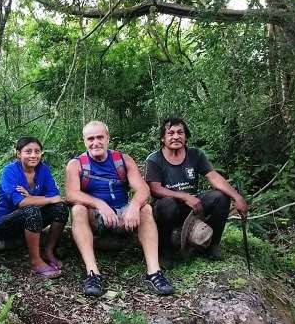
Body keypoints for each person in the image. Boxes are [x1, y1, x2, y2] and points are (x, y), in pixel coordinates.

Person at [65, 120, 174, 297]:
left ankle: (154, 272)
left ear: (108, 138)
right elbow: (71, 194)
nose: (95, 142)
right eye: (90, 139)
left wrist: (134, 206)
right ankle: (93, 273)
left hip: (123, 213)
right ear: (84, 141)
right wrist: (100, 204)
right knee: (78, 209)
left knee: (146, 209)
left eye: (100, 137)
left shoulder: (123, 160)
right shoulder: (76, 164)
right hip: (96, 217)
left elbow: (143, 189)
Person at [145, 117, 249, 260]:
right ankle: (165, 251)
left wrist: (237, 197)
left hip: (193, 205)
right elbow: (155, 189)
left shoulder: (195, 154)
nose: (176, 137)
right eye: (171, 133)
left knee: (220, 198)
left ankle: (211, 245)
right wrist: (184, 196)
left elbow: (213, 176)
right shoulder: (154, 159)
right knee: (167, 204)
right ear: (163, 138)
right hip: (167, 208)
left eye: (180, 132)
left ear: (186, 136)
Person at [0, 137, 69, 278]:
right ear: (18, 154)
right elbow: (21, 203)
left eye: (37, 151)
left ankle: (48, 251)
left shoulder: (43, 170)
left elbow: (56, 197)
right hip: (6, 221)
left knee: (61, 208)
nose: (33, 155)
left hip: (31, 218)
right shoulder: (10, 171)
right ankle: (36, 262)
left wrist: (31, 198)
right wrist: (45, 199)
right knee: (31, 210)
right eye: (28, 152)